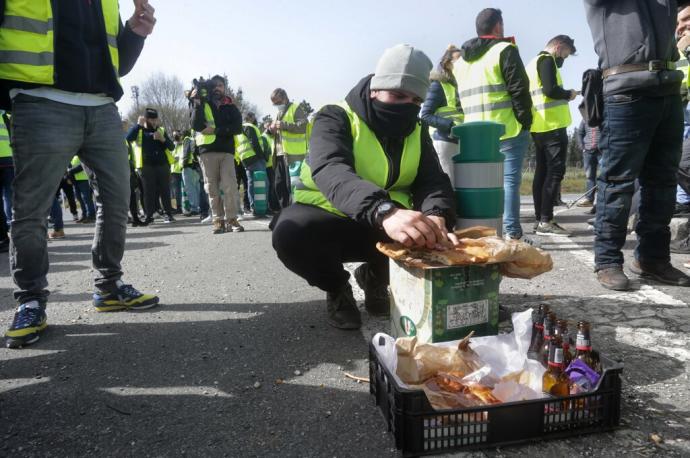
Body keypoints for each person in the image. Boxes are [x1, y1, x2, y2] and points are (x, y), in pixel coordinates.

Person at [1, 0, 160, 349]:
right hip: (39, 101)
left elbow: (117, 62)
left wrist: (135, 33)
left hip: (102, 107)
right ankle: (30, 299)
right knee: (31, 210)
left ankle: (109, 287)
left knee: (118, 201)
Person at [272, 44, 458, 330]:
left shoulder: (416, 130)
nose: (406, 105)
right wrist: (383, 210)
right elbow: (331, 168)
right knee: (291, 234)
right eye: (397, 95)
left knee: (429, 227)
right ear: (375, 90)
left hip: (381, 224)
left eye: (415, 100)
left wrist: (436, 215)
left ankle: (376, 278)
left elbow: (432, 180)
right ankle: (336, 287)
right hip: (331, 219)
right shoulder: (335, 117)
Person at [583, 0, 690, 290]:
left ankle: (652, 260)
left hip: (667, 90)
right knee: (617, 181)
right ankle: (607, 261)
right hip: (625, 90)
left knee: (663, 183)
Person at [455, 8, 533, 240]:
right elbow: (519, 89)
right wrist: (525, 121)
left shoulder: (460, 62)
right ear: (498, 26)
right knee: (508, 181)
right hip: (505, 128)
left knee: (477, 184)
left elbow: (460, 100)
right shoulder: (504, 50)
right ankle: (511, 233)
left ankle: (476, 232)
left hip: (473, 133)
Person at [526, 35, 578, 236]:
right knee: (555, 172)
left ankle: (541, 220)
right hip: (553, 125)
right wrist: (569, 94)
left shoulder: (532, 63)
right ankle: (546, 221)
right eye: (565, 53)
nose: (564, 58)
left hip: (539, 125)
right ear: (559, 47)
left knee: (541, 173)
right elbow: (550, 90)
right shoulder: (546, 61)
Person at [191, 75, 244, 234]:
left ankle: (232, 219)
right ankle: (218, 221)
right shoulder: (201, 102)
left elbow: (238, 128)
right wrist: (196, 102)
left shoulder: (231, 106)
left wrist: (217, 130)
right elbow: (196, 124)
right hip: (206, 151)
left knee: (230, 186)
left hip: (226, 151)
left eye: (220, 85)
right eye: (214, 85)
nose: (217, 88)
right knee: (211, 188)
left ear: (224, 88)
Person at [420, 44, 464, 185]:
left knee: (457, 187)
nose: (460, 64)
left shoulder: (459, 85)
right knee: (448, 185)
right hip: (444, 140)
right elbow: (425, 115)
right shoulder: (438, 85)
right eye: (457, 60)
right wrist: (450, 127)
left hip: (459, 142)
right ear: (447, 64)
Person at [127, 108, 176, 224]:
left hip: (162, 164)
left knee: (165, 190)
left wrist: (162, 139)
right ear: (145, 119)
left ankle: (168, 214)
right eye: (151, 119)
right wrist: (138, 125)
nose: (154, 121)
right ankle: (149, 216)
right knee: (148, 191)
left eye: (155, 119)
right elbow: (128, 138)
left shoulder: (161, 130)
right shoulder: (138, 130)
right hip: (145, 165)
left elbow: (171, 147)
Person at [267, 89, 309, 209]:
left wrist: (285, 125)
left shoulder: (295, 108)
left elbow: (303, 126)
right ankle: (285, 211)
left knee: (291, 185)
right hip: (279, 154)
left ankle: (295, 210)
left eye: (277, 102)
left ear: (284, 98)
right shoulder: (277, 113)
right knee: (279, 185)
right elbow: (272, 132)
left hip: (293, 155)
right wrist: (270, 129)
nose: (276, 105)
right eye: (274, 103)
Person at [236, 112, 268, 216]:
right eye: (253, 116)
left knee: (251, 183)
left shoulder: (238, 129)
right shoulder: (249, 127)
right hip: (255, 158)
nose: (255, 118)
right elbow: (254, 142)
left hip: (245, 159)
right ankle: (262, 208)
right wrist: (262, 156)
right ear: (250, 117)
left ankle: (254, 207)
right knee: (263, 183)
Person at [576, 118, 600, 210]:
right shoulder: (584, 118)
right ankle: (589, 199)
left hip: (602, 151)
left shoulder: (604, 116)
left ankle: (602, 200)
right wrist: (582, 147)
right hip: (588, 151)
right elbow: (579, 133)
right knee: (590, 176)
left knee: (604, 176)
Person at [67, 155, 97, 223]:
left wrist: (70, 171)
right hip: (75, 180)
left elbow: (82, 166)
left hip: (84, 179)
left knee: (86, 198)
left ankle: (91, 215)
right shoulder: (73, 156)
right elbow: (70, 166)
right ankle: (84, 215)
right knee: (79, 198)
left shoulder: (82, 155)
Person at [170, 130, 185, 214]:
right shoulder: (173, 146)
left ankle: (185, 206)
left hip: (182, 169)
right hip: (174, 171)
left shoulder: (183, 144)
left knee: (184, 190)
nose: (175, 137)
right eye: (174, 135)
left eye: (177, 135)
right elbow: (170, 157)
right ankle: (177, 207)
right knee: (175, 191)